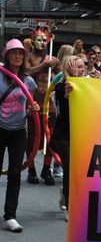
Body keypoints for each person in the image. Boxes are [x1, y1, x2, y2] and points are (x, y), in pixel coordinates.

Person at [0, 39, 40, 232]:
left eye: (20, 53)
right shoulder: (0, 76)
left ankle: (10, 216)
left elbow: (29, 107)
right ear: (7, 55)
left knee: (15, 174)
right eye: (13, 52)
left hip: (18, 131)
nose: (17, 55)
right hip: (0, 128)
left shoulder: (28, 81)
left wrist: (33, 109)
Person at [51, 55, 87, 222]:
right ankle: (72, 208)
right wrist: (72, 77)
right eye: (77, 66)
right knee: (71, 169)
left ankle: (66, 193)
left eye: (82, 66)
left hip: (81, 135)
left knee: (79, 172)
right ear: (68, 68)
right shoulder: (60, 87)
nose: (81, 69)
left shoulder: (89, 85)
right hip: (63, 136)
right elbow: (67, 94)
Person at [24, 26, 60, 185]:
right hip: (33, 102)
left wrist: (54, 66)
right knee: (32, 138)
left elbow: (63, 76)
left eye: (45, 40)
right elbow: (25, 73)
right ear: (33, 41)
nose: (42, 42)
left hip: (49, 104)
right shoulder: (29, 57)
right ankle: (31, 169)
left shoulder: (53, 58)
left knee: (50, 138)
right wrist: (43, 66)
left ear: (49, 41)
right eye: (39, 39)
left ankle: (46, 169)